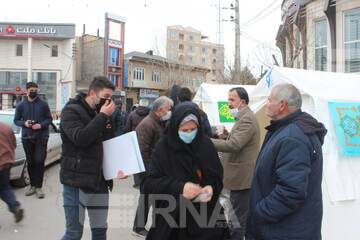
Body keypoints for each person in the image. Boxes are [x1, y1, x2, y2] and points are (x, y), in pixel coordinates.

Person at [246, 84, 327, 240]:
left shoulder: (292, 136)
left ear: (282, 105)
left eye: (269, 100)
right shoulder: (286, 129)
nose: (266, 104)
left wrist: (259, 212)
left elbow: (291, 191)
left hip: (284, 231)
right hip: (287, 228)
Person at [143, 102, 229, 240]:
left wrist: (211, 188)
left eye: (193, 129)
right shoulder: (164, 148)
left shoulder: (205, 145)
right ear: (175, 127)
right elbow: (150, 183)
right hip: (172, 220)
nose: (189, 133)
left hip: (205, 219)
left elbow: (217, 177)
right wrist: (181, 187)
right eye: (184, 130)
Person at [60, 76, 125, 240]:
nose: (108, 101)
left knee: (99, 230)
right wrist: (102, 116)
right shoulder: (71, 111)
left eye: (111, 98)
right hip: (76, 183)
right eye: (105, 97)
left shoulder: (103, 114)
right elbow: (81, 138)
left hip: (99, 182)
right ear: (92, 93)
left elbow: (108, 145)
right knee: (74, 233)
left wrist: (119, 168)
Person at [211, 87, 260, 240]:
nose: (229, 104)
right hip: (237, 177)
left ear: (243, 102)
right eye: (228, 100)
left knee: (236, 222)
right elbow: (236, 142)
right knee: (235, 218)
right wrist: (226, 136)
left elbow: (234, 145)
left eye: (232, 100)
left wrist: (207, 141)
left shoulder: (247, 119)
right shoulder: (242, 117)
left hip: (241, 179)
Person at [133, 96, 174, 237]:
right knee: (146, 199)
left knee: (153, 199)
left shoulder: (158, 123)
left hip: (157, 170)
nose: (170, 112)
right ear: (160, 109)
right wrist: (149, 173)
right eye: (169, 109)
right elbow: (142, 150)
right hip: (149, 171)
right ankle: (138, 228)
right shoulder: (147, 124)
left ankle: (154, 227)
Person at [14, 82, 52, 199]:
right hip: (27, 137)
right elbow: (16, 121)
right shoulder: (20, 105)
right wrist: (24, 123)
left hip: (41, 137)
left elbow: (49, 119)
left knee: (39, 161)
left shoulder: (43, 104)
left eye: (35, 89)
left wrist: (40, 125)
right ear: (27, 91)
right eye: (31, 90)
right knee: (30, 162)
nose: (33, 92)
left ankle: (39, 187)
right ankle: (33, 186)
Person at [0, 122, 24, 224]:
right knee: (5, 188)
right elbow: (13, 144)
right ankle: (15, 207)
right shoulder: (6, 127)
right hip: (6, 163)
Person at [124, 98, 150, 188]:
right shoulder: (150, 115)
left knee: (136, 162)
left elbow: (127, 128)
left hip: (135, 140)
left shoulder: (132, 114)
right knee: (146, 160)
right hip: (148, 140)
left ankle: (137, 182)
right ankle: (146, 180)